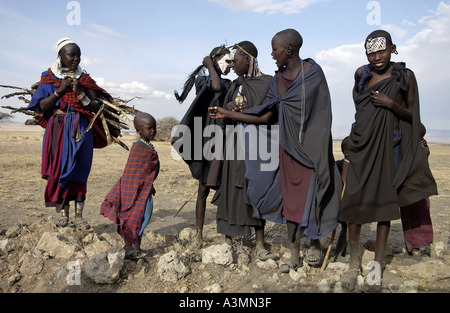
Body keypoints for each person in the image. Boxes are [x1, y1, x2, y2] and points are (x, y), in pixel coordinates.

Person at [210, 29, 341, 271]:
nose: (271, 54)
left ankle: (314, 244)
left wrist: (318, 146)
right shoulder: (277, 80)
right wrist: (228, 113)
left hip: (312, 149)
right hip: (286, 147)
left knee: (312, 196)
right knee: (291, 198)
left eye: (275, 49)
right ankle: (293, 253)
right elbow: (266, 115)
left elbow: (323, 113)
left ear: (288, 50)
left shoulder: (313, 73)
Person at [339, 30, 438, 292]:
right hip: (363, 145)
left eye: (381, 51)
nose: (376, 57)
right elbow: (360, 108)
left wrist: (389, 104)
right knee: (355, 203)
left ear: (393, 49)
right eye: (371, 52)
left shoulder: (404, 76)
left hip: (392, 144)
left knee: (385, 203)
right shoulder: (361, 74)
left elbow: (412, 114)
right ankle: (352, 262)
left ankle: (377, 265)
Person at [28, 37, 112, 231]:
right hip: (58, 128)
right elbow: (41, 106)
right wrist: (60, 91)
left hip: (82, 128)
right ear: (60, 56)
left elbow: (96, 106)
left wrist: (81, 94)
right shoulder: (50, 78)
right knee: (61, 168)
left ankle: (79, 216)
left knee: (80, 169)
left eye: (78, 55)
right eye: (71, 55)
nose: (76, 59)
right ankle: (64, 215)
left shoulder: (85, 79)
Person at [211, 41, 277, 260]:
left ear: (248, 60)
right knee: (230, 189)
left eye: (235, 60)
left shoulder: (267, 82)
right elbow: (229, 106)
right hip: (233, 146)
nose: (232, 64)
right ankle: (227, 241)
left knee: (254, 190)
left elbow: (266, 116)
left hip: (256, 148)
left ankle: (259, 243)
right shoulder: (236, 84)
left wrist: (230, 113)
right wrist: (229, 107)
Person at [171, 46, 232, 247]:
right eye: (226, 61)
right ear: (214, 61)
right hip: (208, 140)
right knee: (203, 189)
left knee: (224, 189)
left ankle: (226, 234)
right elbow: (215, 87)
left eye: (232, 62)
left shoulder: (229, 83)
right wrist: (210, 66)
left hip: (225, 139)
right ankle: (198, 234)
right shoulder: (204, 81)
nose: (230, 65)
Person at [101, 112, 159, 259]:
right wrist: (140, 187)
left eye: (154, 128)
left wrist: (149, 185)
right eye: (149, 128)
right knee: (135, 217)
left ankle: (137, 247)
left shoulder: (148, 147)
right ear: (139, 130)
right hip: (134, 191)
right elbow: (132, 174)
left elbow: (146, 173)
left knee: (144, 217)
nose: (153, 131)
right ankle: (128, 248)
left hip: (145, 191)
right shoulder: (139, 148)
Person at [400, 124, 434, 257]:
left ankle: (421, 244)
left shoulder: (421, 145)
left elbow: (425, 157)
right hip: (410, 187)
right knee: (412, 215)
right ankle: (414, 246)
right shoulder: (407, 146)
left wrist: (425, 147)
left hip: (421, 186)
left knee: (421, 214)